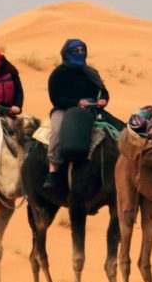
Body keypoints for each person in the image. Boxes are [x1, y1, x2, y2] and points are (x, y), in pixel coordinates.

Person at [44, 38, 108, 190]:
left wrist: (104, 100)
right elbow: (56, 98)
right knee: (58, 130)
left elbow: (103, 91)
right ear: (67, 53)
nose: (80, 53)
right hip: (64, 110)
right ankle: (52, 169)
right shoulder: (58, 74)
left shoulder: (91, 73)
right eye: (76, 51)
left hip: (91, 110)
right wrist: (77, 103)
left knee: (116, 129)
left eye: (82, 50)